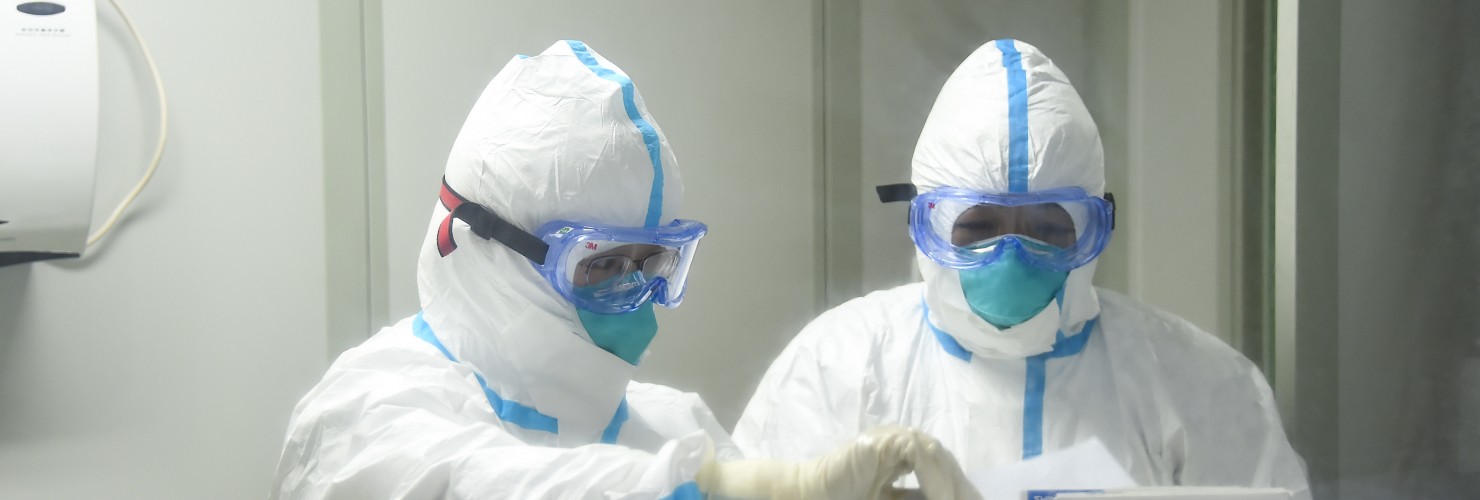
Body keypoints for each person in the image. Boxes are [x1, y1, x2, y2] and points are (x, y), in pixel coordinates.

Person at [272, 40, 977, 500]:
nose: (639, 299)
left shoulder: (670, 430)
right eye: (603, 265)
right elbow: (470, 481)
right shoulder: (370, 408)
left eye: (655, 263)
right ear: (479, 243)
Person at [733, 39, 1311, 497]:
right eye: (979, 228)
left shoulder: (1196, 381)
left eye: (1047, 230)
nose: (1012, 254)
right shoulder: (839, 365)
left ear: (1092, 229)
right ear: (927, 224)